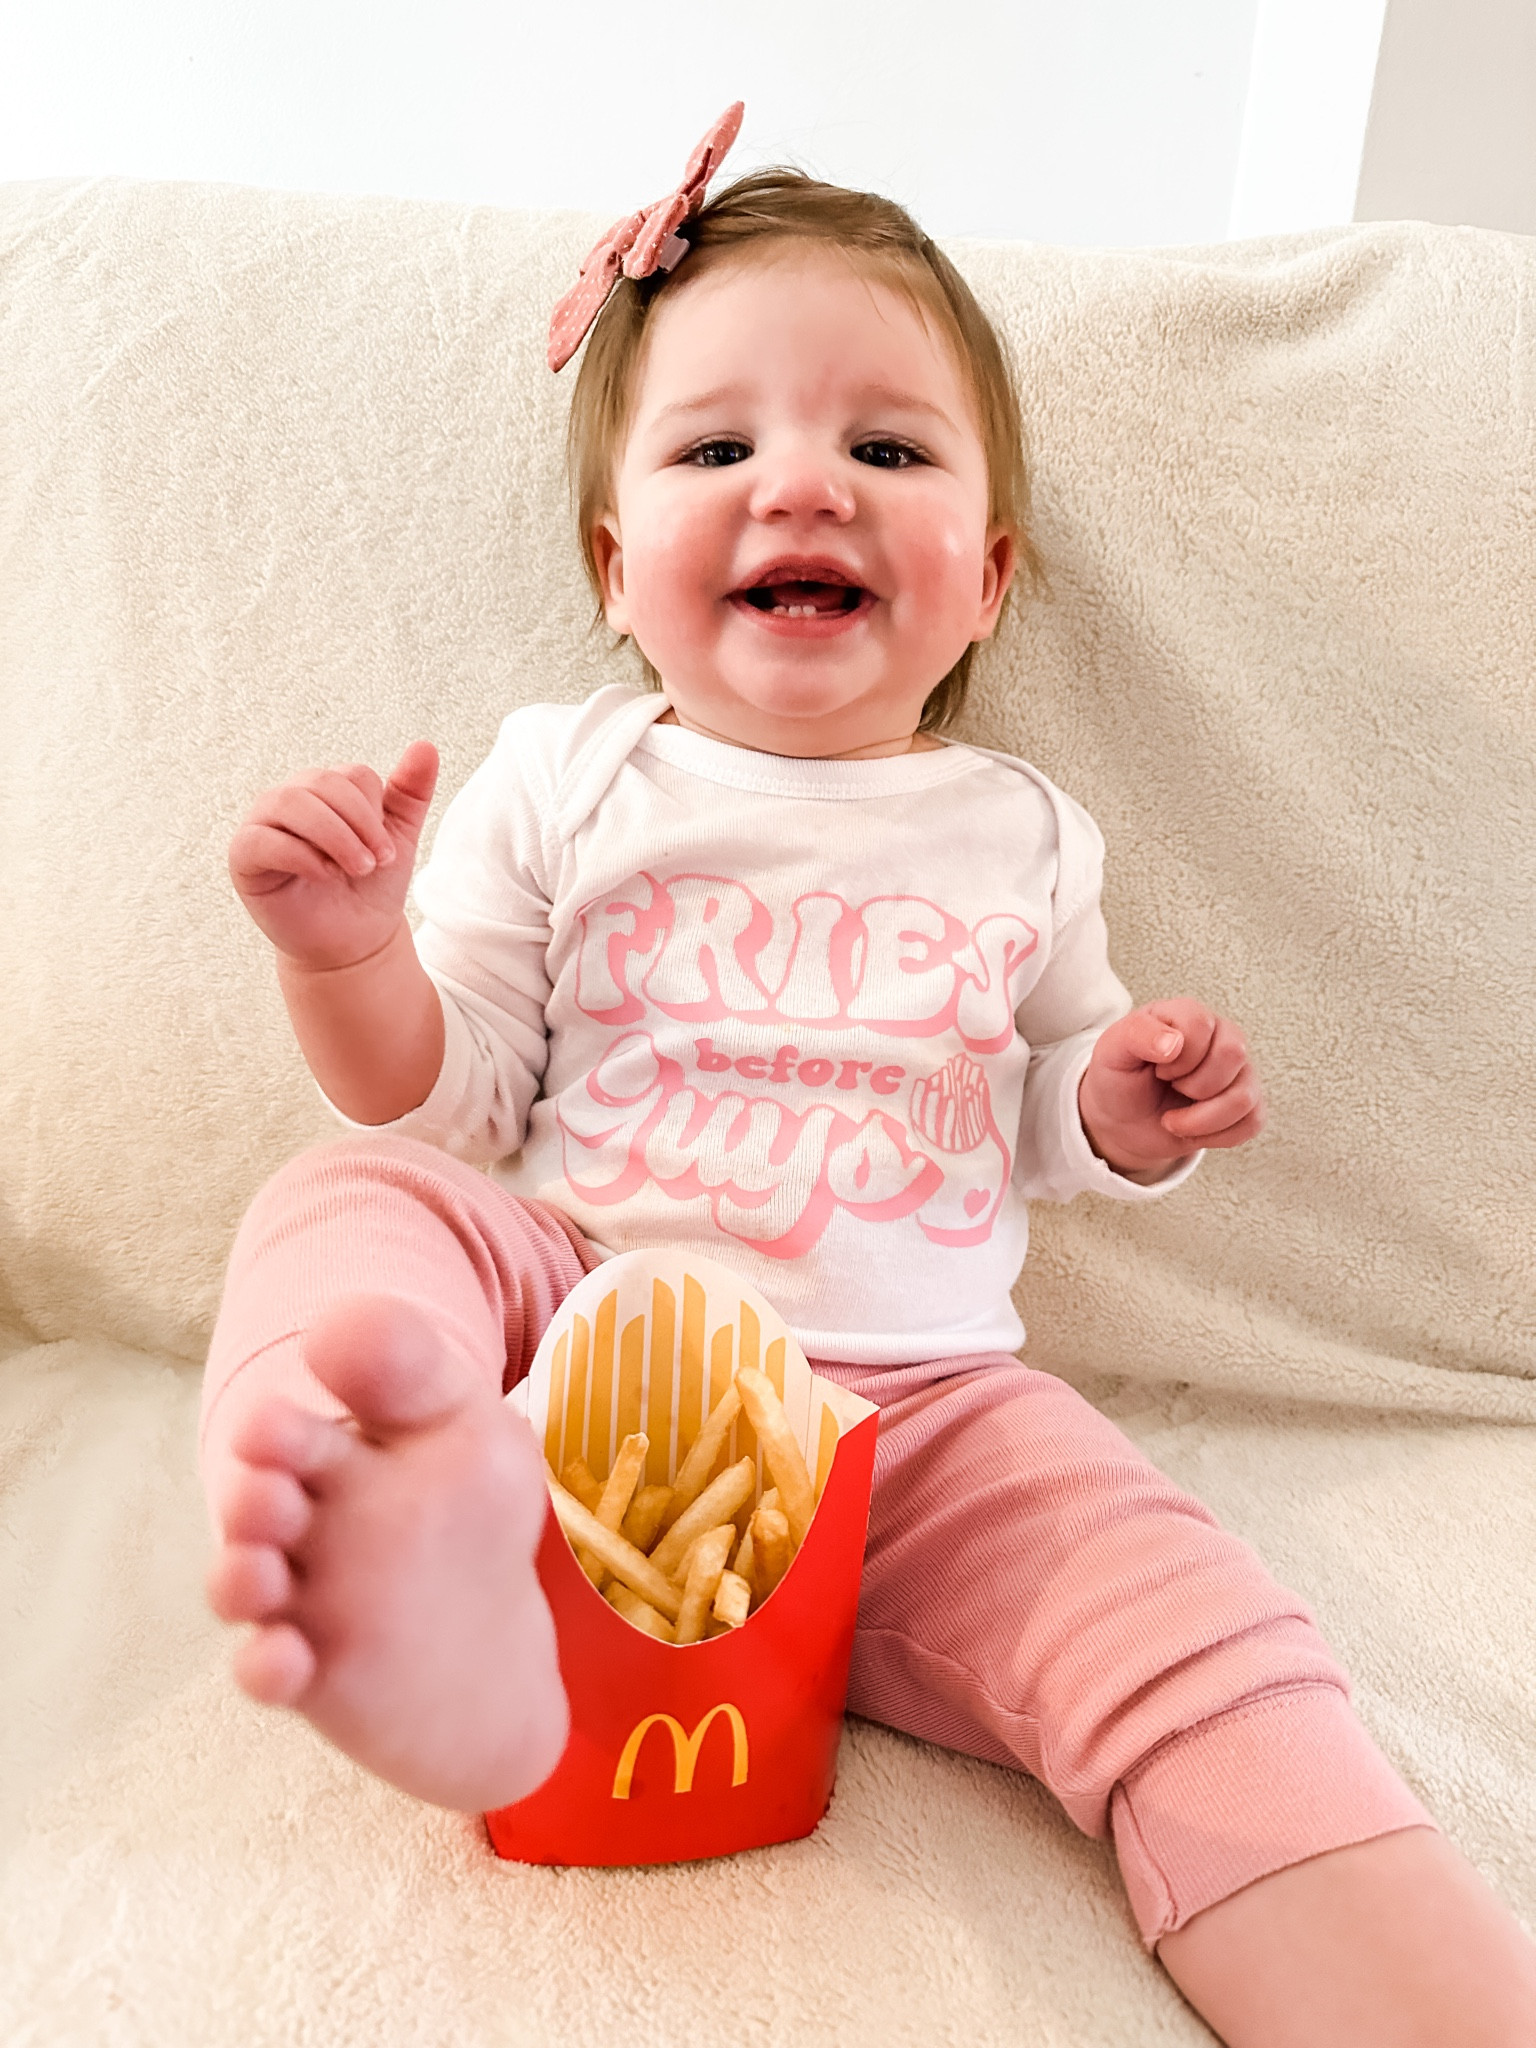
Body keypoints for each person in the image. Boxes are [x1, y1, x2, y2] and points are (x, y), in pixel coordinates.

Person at [202, 107, 1536, 2046]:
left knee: (1173, 1603)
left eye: (885, 448)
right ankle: (392, 1510)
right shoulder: (571, 774)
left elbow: (1033, 1120)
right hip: (568, 1345)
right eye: (718, 446)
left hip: (902, 1424)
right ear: (612, 563)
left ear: (986, 579)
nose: (801, 485)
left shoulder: (1026, 835)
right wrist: (346, 956)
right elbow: (445, 1094)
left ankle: (1394, 1968)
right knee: (355, 1213)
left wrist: (1117, 1108)